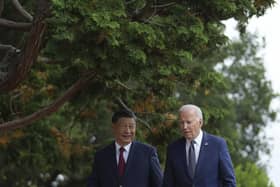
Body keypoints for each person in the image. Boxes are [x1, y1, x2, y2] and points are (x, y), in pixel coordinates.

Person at [163, 104, 236, 187]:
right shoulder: (173, 149)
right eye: (181, 123)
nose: (185, 127)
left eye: (188, 122)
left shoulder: (217, 145)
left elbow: (229, 181)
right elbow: (168, 183)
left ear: (200, 122)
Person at [87, 109, 163, 187]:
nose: (128, 131)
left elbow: (159, 184)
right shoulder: (101, 156)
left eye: (131, 127)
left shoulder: (148, 153)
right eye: (124, 126)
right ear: (114, 127)